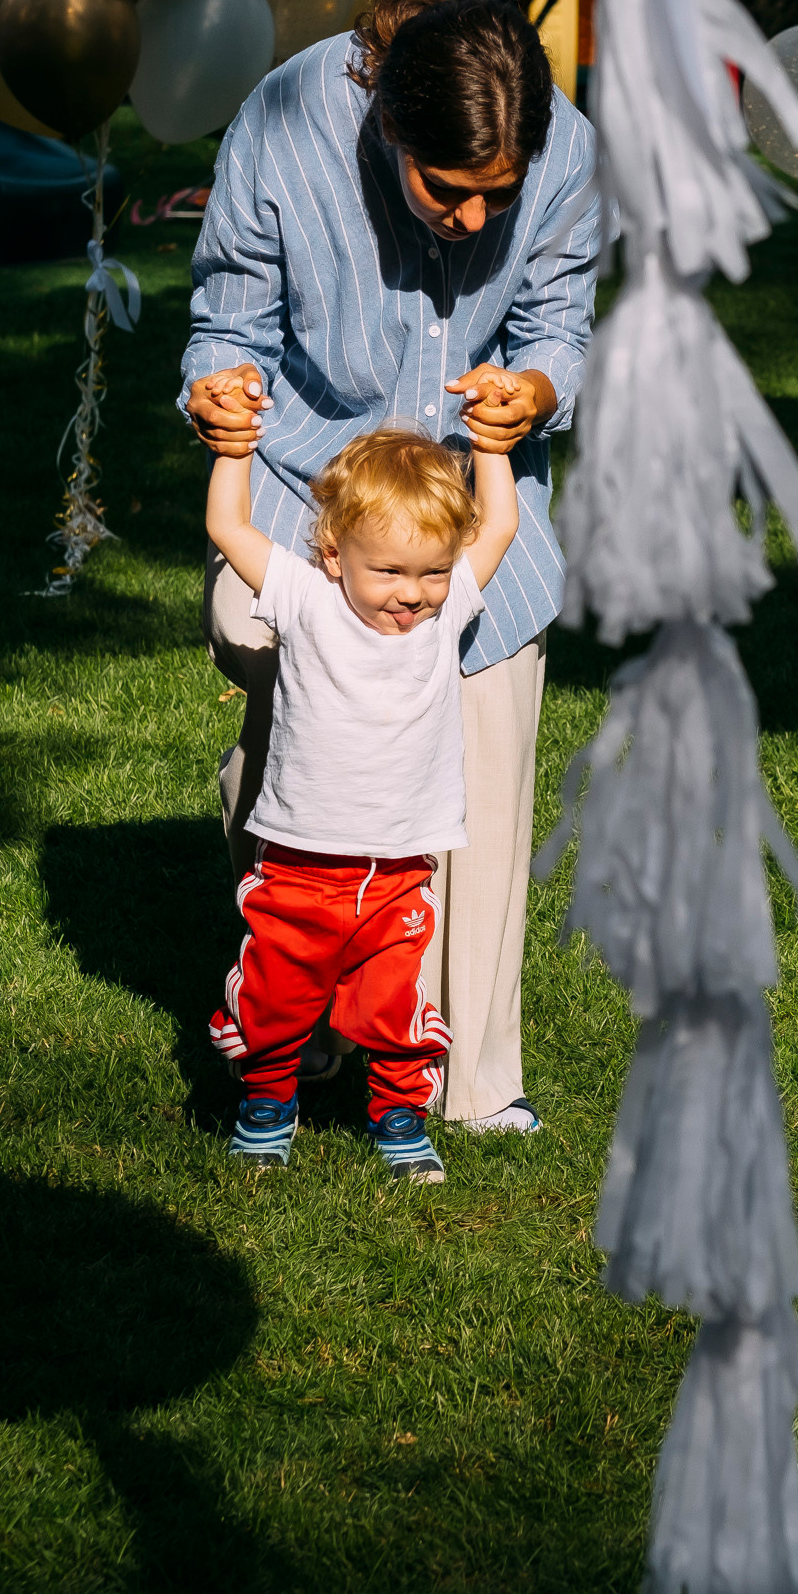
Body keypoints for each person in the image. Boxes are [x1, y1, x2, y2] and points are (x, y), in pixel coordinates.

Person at [183, 0, 596, 1137]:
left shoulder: (569, 155)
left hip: (467, 501)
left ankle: (470, 1083)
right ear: (388, 132)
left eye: (495, 197)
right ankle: (297, 991)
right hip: (307, 486)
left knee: (483, 751)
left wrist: (536, 391)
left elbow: (560, 325)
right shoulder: (283, 123)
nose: (471, 220)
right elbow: (227, 319)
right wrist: (217, 392)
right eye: (445, 189)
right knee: (304, 743)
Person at [205, 424, 519, 1183]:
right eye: (390, 571)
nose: (411, 593)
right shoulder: (304, 597)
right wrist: (234, 447)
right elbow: (227, 526)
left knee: (393, 1008)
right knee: (276, 1001)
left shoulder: (443, 616)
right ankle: (268, 1109)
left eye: (432, 571)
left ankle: (400, 1119)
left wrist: (494, 449)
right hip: (298, 865)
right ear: (337, 555)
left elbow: (500, 524)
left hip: (397, 868)